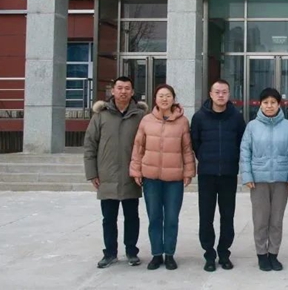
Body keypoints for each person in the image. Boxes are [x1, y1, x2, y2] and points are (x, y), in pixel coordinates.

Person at [130, 84, 196, 271]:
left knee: (172, 218)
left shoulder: (182, 122)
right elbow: (138, 147)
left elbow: (187, 149)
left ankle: (170, 254)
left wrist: (188, 172)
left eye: (168, 96)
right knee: (154, 217)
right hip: (151, 178)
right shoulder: (146, 120)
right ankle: (156, 254)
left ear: (173, 99)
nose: (164, 99)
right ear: (155, 99)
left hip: (174, 179)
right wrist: (136, 170)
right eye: (161, 96)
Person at [84, 76, 147, 269]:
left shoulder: (140, 116)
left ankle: (131, 251)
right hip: (107, 175)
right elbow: (90, 145)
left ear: (132, 92)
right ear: (113, 91)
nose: (123, 92)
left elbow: (147, 145)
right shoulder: (100, 116)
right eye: (119, 88)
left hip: (131, 175)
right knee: (108, 218)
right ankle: (110, 253)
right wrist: (92, 173)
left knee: (132, 217)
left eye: (127, 88)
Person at [240, 88, 288, 272]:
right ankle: (261, 255)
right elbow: (245, 152)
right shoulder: (252, 126)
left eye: (273, 102)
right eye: (266, 102)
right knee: (260, 220)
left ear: (279, 104)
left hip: (281, 180)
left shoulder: (287, 126)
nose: (269, 106)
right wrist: (247, 175)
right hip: (258, 181)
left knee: (276, 220)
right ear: (260, 104)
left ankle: (273, 254)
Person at [191, 79, 246, 272]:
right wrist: (205, 158)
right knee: (206, 216)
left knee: (227, 216)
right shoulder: (199, 117)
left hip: (228, 174)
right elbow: (195, 142)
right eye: (217, 92)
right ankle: (209, 254)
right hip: (207, 174)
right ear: (211, 94)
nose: (221, 95)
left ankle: (224, 253)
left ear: (229, 94)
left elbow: (241, 142)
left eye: (224, 92)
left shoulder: (236, 117)